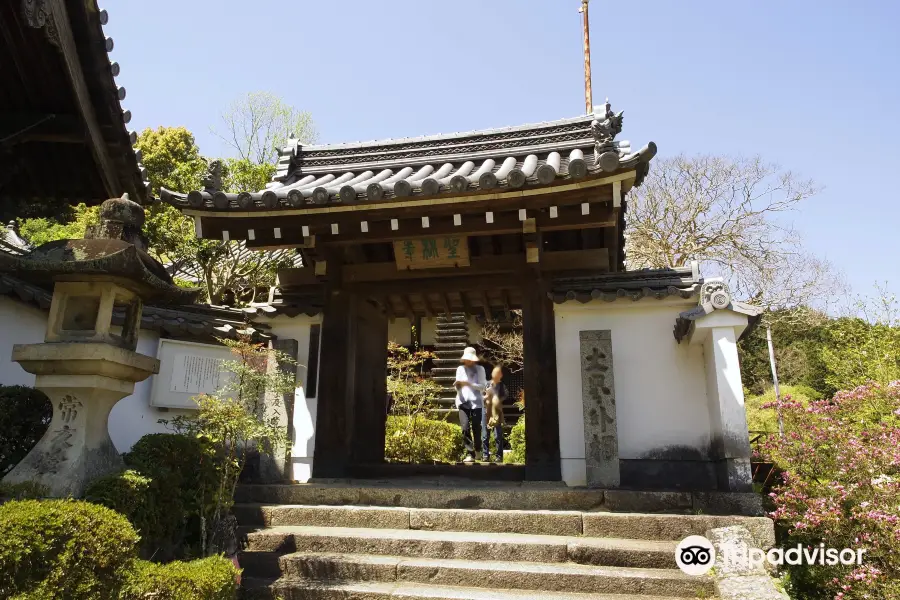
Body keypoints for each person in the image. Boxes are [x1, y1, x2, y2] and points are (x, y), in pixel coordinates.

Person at [454, 347, 487, 464]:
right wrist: (459, 385)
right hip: (463, 401)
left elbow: (483, 386)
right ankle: (470, 453)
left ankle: (478, 450)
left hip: (477, 403)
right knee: (465, 428)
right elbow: (457, 385)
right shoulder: (460, 369)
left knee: (476, 428)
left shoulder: (480, 369)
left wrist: (470, 384)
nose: (468, 361)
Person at [482, 366, 507, 463]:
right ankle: (485, 455)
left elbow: (505, 395)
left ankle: (499, 456)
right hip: (485, 410)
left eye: (498, 373)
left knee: (498, 435)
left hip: (496, 411)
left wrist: (496, 399)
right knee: (485, 435)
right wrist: (487, 396)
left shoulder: (501, 385)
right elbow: (481, 397)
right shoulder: (486, 384)